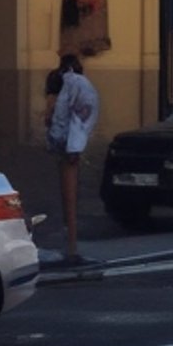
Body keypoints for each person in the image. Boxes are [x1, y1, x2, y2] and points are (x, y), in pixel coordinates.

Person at [46, 54, 100, 264]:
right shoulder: (74, 86)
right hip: (68, 148)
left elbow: (51, 115)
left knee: (67, 194)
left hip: (61, 147)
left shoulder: (58, 83)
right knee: (69, 195)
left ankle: (69, 246)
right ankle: (70, 247)